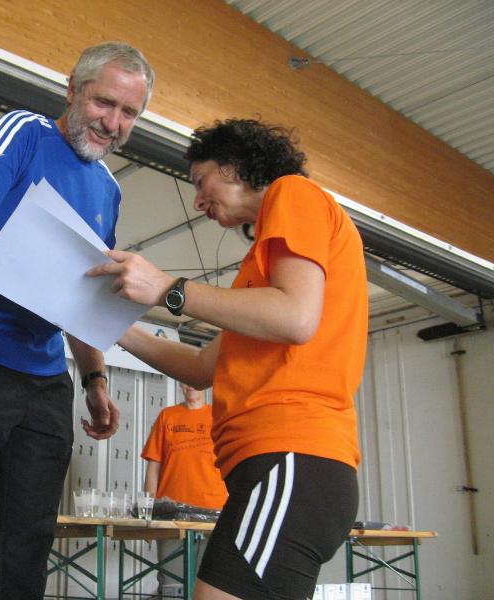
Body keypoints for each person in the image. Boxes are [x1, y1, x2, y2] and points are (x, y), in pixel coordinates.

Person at [0, 42, 155, 600]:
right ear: (73, 90)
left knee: (24, 545)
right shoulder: (22, 133)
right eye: (104, 103)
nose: (113, 123)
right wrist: (50, 283)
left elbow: (83, 291)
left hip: (43, 378)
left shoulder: (109, 190)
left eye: (129, 113)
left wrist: (94, 378)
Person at [88, 119, 367, 600]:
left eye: (201, 181)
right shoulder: (260, 275)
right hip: (279, 469)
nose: (198, 201)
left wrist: (169, 289)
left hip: (291, 457)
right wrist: (110, 327)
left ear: (236, 165)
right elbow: (202, 368)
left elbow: (296, 317)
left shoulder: (292, 192)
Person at [142, 382, 227, 598]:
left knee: (209, 585)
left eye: (195, 381)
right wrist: (147, 514)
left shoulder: (219, 417)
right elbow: (153, 469)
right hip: (171, 515)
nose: (190, 386)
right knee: (173, 587)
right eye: (185, 381)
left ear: (207, 383)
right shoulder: (167, 417)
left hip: (214, 513)